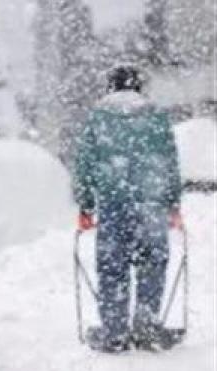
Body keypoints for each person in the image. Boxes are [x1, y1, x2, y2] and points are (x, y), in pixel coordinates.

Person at [72, 65, 184, 353]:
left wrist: (85, 205)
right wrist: (172, 203)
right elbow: (169, 162)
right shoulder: (156, 116)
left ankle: (115, 332)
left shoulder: (98, 118)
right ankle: (146, 328)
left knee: (112, 268)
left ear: (111, 87)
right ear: (138, 87)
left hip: (113, 202)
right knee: (152, 265)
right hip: (151, 203)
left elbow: (84, 162)